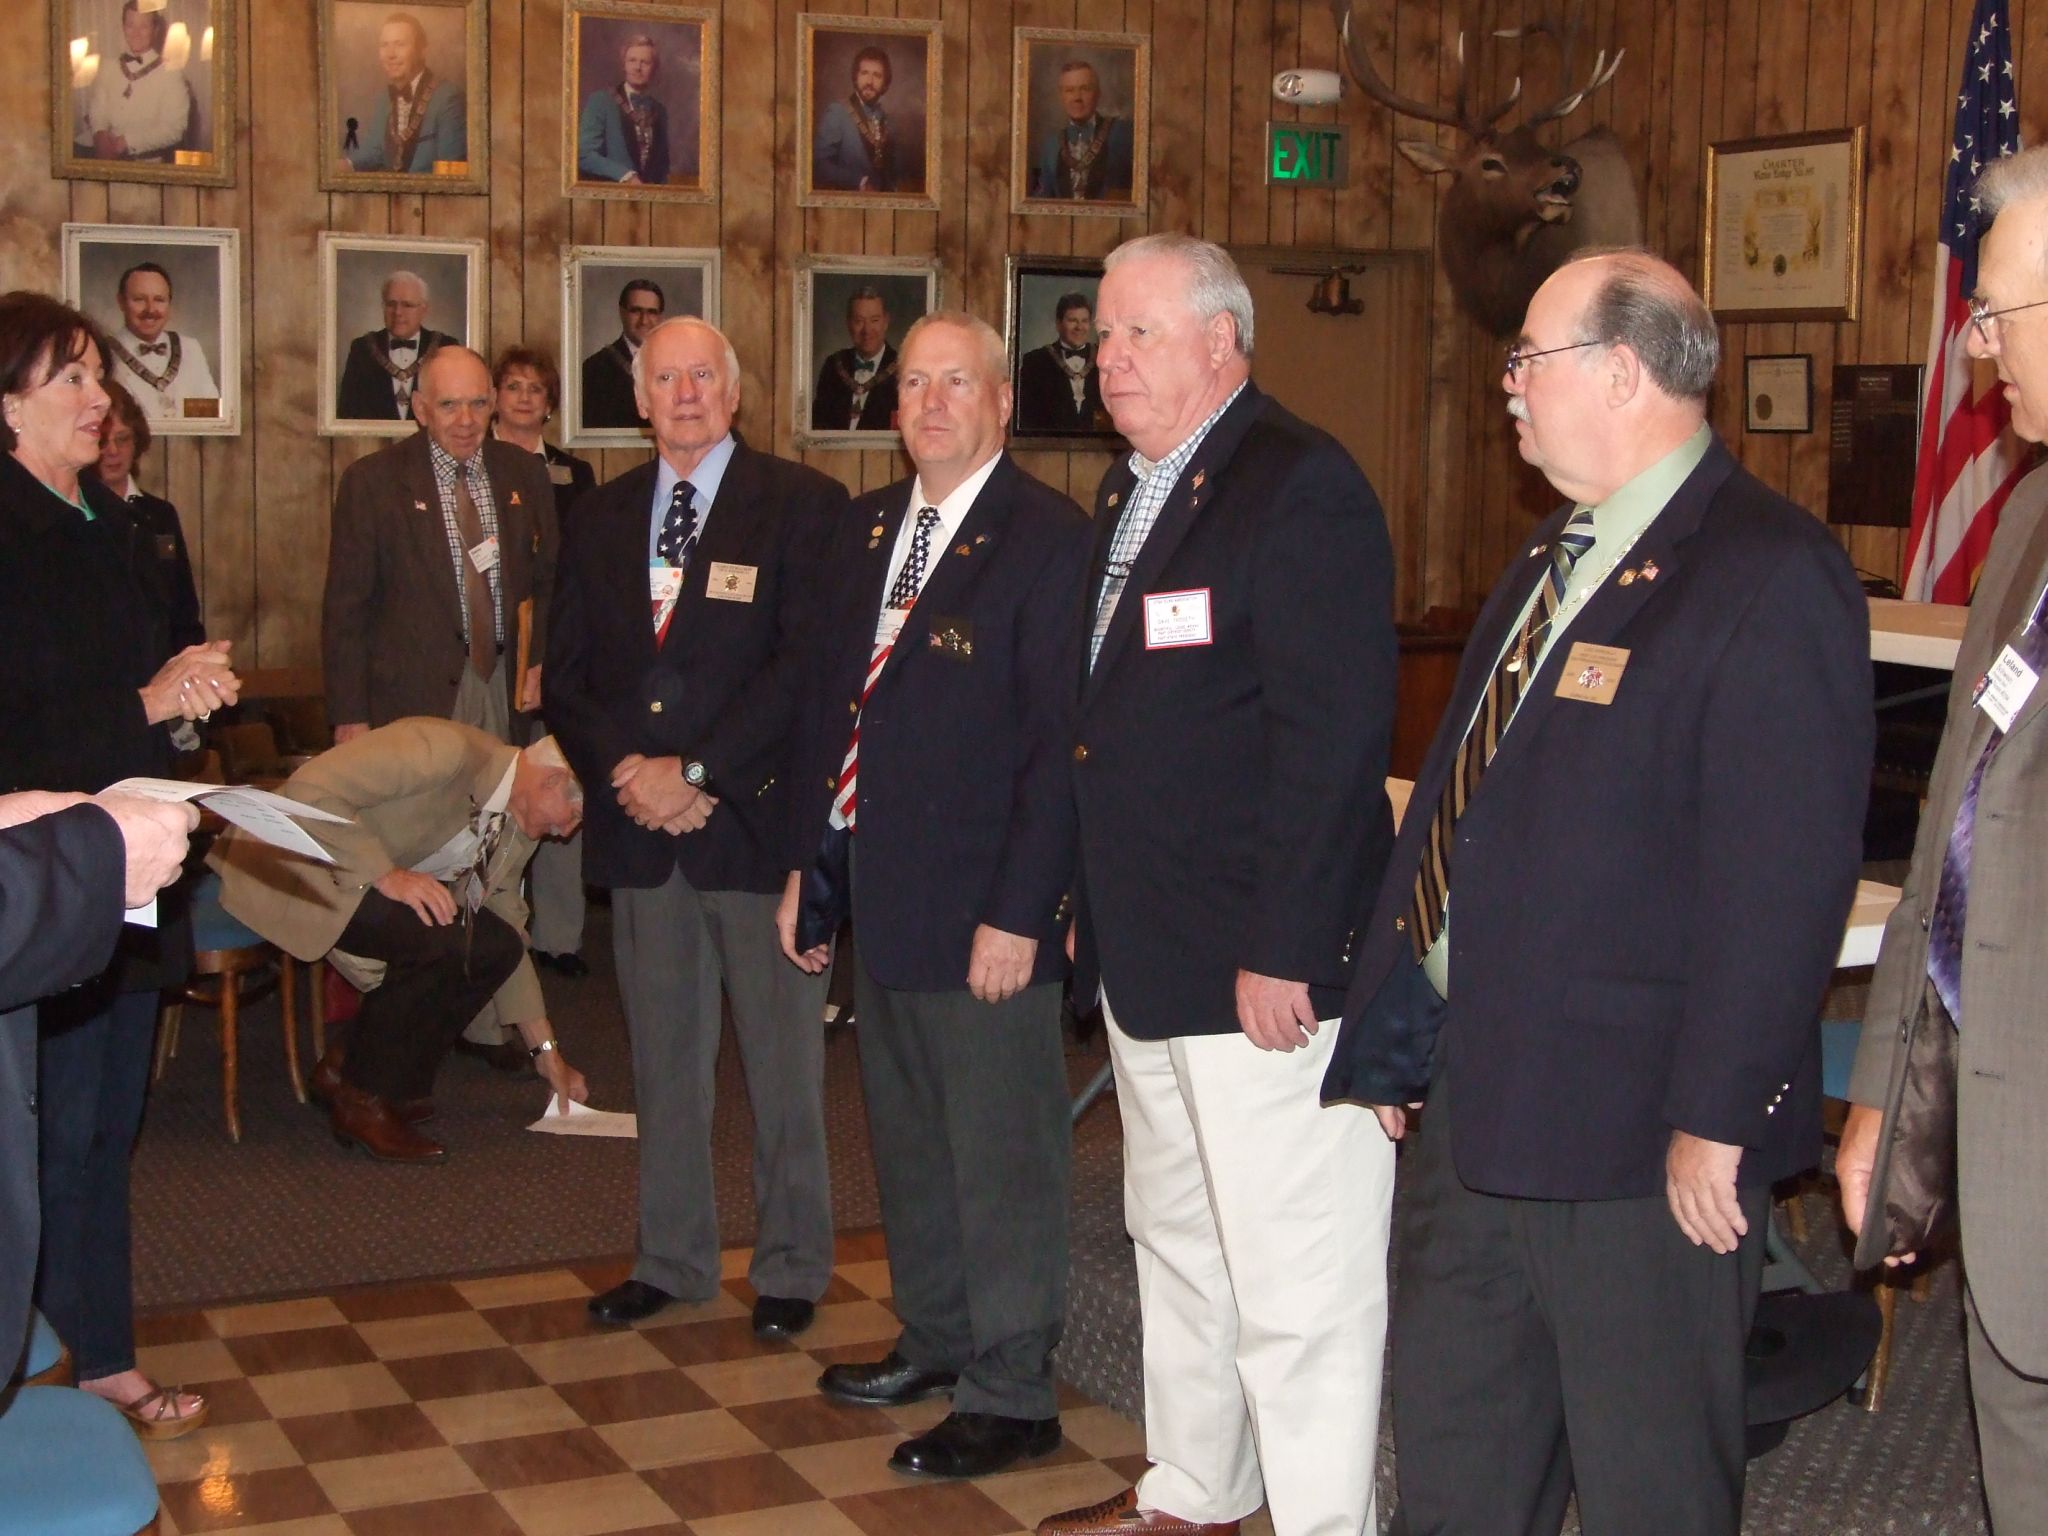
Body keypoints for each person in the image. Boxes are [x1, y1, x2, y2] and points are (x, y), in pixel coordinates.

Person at [1320, 249, 1872, 1536]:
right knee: (1457, 1473)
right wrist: (1398, 1020)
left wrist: (1717, 1117)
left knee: (1647, 1486)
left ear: (1620, 373)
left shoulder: (1766, 570)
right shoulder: (1552, 552)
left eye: (1527, 356)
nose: (1506, 384)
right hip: (1477, 1104)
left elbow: (1780, 882)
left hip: (1640, 1142)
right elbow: (1460, 802)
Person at [1035, 234, 1398, 1536]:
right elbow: (1111, 726)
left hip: (1262, 968)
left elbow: (1332, 742)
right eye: (1101, 335)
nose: (1108, 358)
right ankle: (1194, 1494)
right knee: (1178, 1242)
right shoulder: (1131, 488)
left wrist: (1288, 943)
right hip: (1149, 956)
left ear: (1221, 339)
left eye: (1138, 333)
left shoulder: (1297, 484)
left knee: (1299, 1283)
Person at [780, 312, 1090, 1479]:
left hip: (986, 914)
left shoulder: (1046, 539)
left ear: (1002, 401)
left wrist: (1020, 912)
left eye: (957, 382)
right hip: (884, 895)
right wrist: (807, 874)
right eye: (914, 384)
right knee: (909, 1142)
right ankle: (938, 1338)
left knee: (1000, 1157)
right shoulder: (865, 530)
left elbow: (1058, 748)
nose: (931, 404)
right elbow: (835, 716)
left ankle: (1012, 1391)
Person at [545, 316, 847, 1341]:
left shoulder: (802, 506)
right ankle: (671, 1260)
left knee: (784, 1068)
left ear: (734, 390)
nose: (684, 394)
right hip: (642, 834)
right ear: (639, 399)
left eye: (702, 376)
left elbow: (804, 671)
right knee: (664, 1066)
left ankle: (793, 1265)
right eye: (666, 378)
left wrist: (700, 772)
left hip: (755, 830)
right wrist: (631, 776)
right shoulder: (598, 516)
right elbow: (567, 677)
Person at [1839, 145, 2048, 1532]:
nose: (1975, 347)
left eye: (1997, 315)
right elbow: (1951, 831)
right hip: (2003, 1161)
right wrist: (1884, 1096)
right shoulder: (2025, 514)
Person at [0, 289, 240, 1440]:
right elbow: (19, 739)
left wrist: (184, 695)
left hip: (133, 872)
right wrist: (144, 703)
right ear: (7, 405)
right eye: (74, 379)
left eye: (100, 375)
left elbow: (133, 692)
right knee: (42, 1142)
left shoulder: (108, 518)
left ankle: (98, 1355)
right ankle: (38, 1371)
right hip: (42, 887)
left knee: (104, 1133)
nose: (101, 398)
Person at [324, 344, 556, 1064]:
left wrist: (540, 658)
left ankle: (486, 1019)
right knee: (420, 854)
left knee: (495, 854)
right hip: (412, 703)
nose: (465, 419)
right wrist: (350, 716)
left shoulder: (522, 474)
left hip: (500, 689)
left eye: (479, 403)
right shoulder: (372, 482)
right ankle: (407, 1011)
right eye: (449, 404)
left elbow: (549, 581)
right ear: (419, 408)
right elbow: (345, 610)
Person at [210, 721, 589, 1161]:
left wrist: (546, 1052)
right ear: (551, 781)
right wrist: (385, 874)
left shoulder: (515, 829)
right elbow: (310, 787)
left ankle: (347, 1068)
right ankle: (363, 1099)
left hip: (357, 884)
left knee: (492, 946)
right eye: (574, 815)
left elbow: (505, 933)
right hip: (291, 864)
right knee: (439, 943)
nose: (567, 832)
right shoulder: (444, 752)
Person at [0, 790, 198, 1382]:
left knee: (105, 1144)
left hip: (84, 876)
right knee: (60, 1152)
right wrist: (89, 855)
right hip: (55, 885)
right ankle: (62, 1373)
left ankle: (101, 1359)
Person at [493, 348, 595, 978]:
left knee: (559, 783)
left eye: (536, 388)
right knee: (497, 789)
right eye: (513, 386)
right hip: (490, 653)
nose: (525, 397)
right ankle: (497, 929)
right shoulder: (476, 464)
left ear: (550, 402)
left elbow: (584, 564)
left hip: (558, 649)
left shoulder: (572, 474)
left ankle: (559, 937)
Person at [90, 381, 203, 652]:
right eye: (103, 441)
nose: (113, 451)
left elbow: (182, 603)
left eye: (123, 439)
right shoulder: (78, 514)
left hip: (163, 659)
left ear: (137, 442)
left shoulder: (160, 516)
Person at [342, 10, 466, 174]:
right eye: (384, 45)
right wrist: (344, 165)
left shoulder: (448, 98)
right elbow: (373, 152)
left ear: (421, 51)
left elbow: (453, 173)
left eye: (400, 44)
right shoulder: (383, 99)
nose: (390, 54)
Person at [103, 263, 219, 425]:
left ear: (169, 304)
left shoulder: (190, 348)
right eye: (139, 299)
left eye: (159, 300)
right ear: (121, 302)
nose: (151, 309)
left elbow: (212, 414)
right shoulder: (104, 351)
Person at [79, 1, 193, 164]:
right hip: (105, 160)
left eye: (144, 26)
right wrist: (100, 134)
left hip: (147, 164)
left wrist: (126, 142)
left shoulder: (171, 74)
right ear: (123, 27)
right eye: (130, 25)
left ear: (155, 30)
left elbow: (175, 128)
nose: (136, 33)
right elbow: (98, 109)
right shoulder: (108, 67)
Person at [336, 270, 457, 422]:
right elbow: (346, 413)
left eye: (407, 305)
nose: (398, 312)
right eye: (391, 304)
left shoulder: (445, 348)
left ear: (423, 309)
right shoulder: (362, 349)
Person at [1031, 60, 1135, 202]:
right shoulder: (1051, 145)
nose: (1077, 98)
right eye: (1069, 90)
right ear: (1061, 96)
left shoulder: (1122, 134)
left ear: (1097, 94)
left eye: (1085, 89)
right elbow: (1042, 200)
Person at [577, 34, 669, 185]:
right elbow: (583, 154)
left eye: (645, 62)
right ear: (624, 65)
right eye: (632, 60)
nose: (638, 67)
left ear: (654, 68)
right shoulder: (601, 101)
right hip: (610, 193)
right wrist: (626, 176)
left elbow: (662, 167)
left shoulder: (660, 111)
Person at [1015, 292, 1104, 434]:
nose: (1079, 327)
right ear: (1058, 324)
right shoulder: (1035, 362)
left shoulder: (1104, 359)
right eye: (1072, 320)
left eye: (1084, 321)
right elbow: (1026, 419)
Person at [811, 287, 897, 432]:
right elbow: (817, 426)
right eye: (859, 321)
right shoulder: (833, 365)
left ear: (886, 322)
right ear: (848, 323)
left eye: (874, 320)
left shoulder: (904, 370)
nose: (866, 330)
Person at [581, 281, 664, 431]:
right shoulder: (594, 369)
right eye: (636, 311)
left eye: (652, 312)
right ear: (622, 312)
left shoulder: (675, 364)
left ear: (660, 317)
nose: (644, 320)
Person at [813, 45, 896, 192]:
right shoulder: (837, 112)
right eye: (864, 73)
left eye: (877, 75)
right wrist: (859, 181)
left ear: (885, 83)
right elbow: (819, 165)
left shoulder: (884, 117)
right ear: (856, 77)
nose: (869, 81)